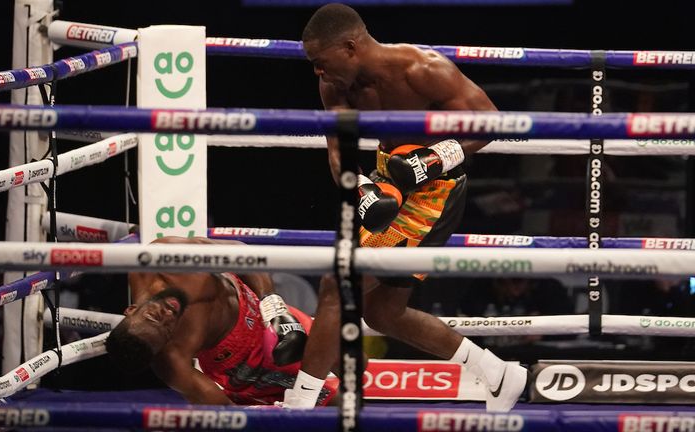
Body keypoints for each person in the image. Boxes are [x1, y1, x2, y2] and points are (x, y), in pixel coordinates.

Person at [282, 3, 527, 412]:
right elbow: (337, 150)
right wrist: (360, 189)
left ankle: (300, 403)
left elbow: (491, 120)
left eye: (321, 63)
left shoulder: (423, 69)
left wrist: (436, 157)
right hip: (386, 180)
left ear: (349, 46)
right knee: (382, 311)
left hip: (435, 195)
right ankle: (499, 373)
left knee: (336, 285)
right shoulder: (335, 86)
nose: (317, 73)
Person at [104, 236, 336, 405]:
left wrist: (271, 304)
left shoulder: (158, 260)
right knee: (330, 407)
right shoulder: (171, 361)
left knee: (350, 358)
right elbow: (223, 412)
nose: (167, 316)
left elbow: (242, 253)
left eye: (152, 315)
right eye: (167, 330)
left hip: (259, 309)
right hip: (240, 368)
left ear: (131, 309)